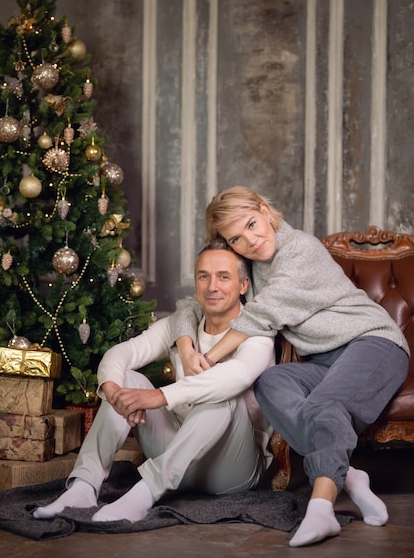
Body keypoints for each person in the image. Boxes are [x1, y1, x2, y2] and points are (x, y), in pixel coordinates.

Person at [170, 186, 410, 548]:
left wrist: (211, 357)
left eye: (252, 224)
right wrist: (187, 348)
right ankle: (349, 477)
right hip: (323, 360)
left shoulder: (300, 249)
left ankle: (321, 508)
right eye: (236, 238)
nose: (250, 240)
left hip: (373, 343)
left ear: (265, 210)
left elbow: (264, 314)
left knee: (324, 405)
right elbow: (191, 302)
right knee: (271, 382)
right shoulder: (249, 265)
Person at [33, 240, 275, 523]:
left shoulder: (257, 334)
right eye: (203, 276)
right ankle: (84, 487)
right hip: (175, 454)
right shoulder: (182, 326)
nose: (212, 287)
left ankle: (144, 494)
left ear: (243, 285)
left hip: (231, 471)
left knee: (221, 395)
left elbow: (238, 376)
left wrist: (158, 397)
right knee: (126, 378)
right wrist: (114, 391)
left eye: (224, 277)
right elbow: (122, 353)